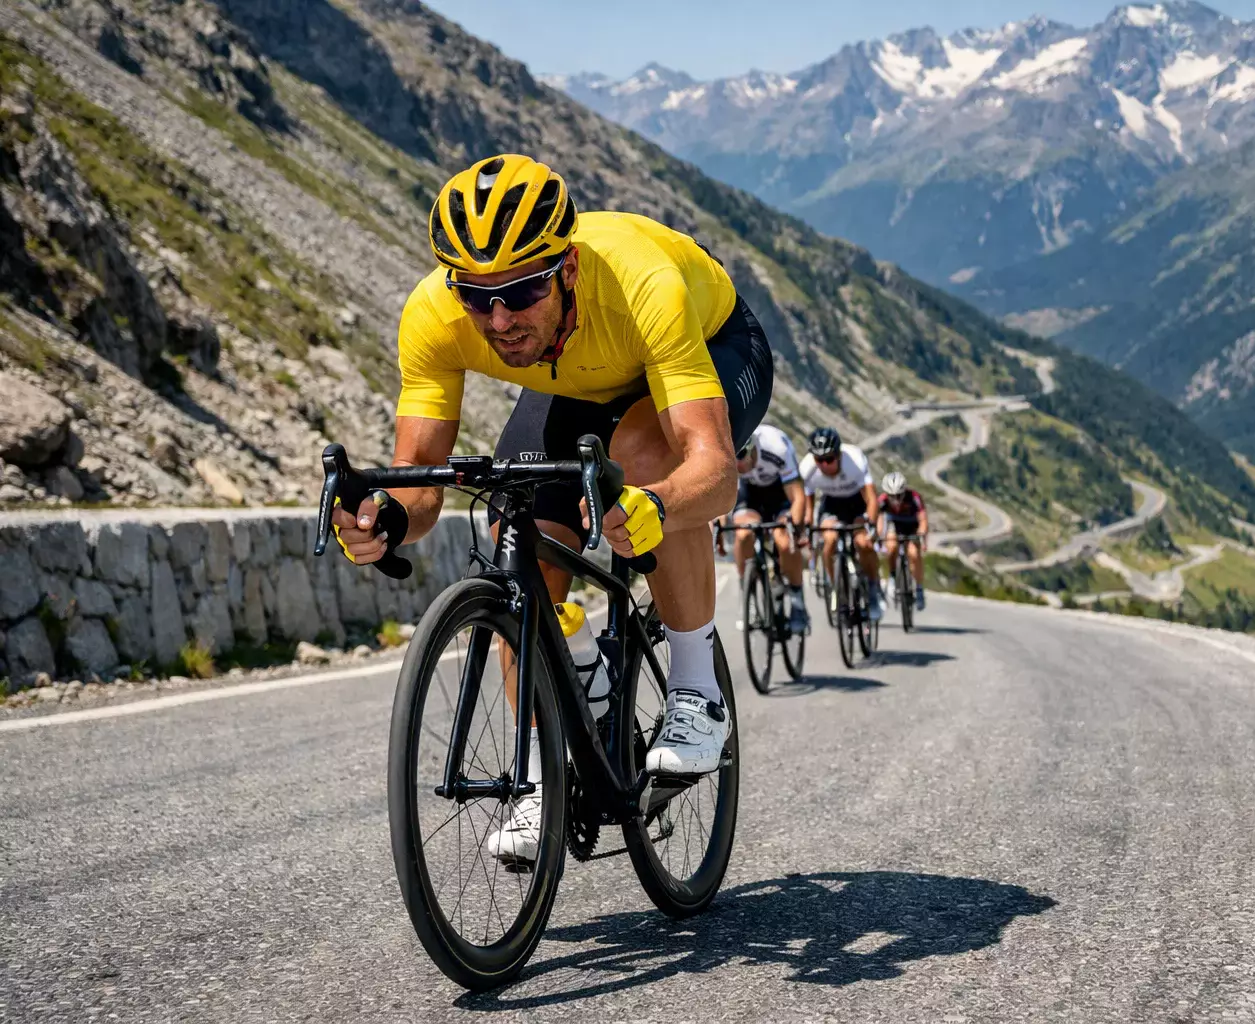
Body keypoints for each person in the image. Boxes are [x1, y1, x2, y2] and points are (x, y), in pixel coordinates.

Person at [328, 154, 773, 862]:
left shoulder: (641, 282)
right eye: (477, 296)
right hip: (576, 376)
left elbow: (715, 474)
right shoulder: (435, 315)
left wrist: (657, 506)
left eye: (522, 289)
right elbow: (420, 483)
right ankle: (541, 775)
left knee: (647, 456)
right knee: (519, 542)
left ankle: (698, 692)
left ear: (566, 268)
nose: (500, 319)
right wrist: (383, 518)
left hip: (711, 344)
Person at [719, 426, 810, 633]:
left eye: (742, 458)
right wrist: (721, 529)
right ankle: (748, 593)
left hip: (779, 493)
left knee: (785, 542)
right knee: (743, 534)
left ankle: (797, 600)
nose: (739, 465)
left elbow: (797, 497)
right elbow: (722, 498)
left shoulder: (777, 448)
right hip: (749, 495)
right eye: (735, 460)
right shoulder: (727, 455)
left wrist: (797, 529)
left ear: (753, 449)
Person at [799, 427, 884, 622]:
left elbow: (871, 499)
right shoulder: (807, 468)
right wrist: (808, 527)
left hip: (857, 504)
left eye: (829, 459)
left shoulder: (854, 460)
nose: (824, 465)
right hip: (831, 505)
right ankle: (835, 585)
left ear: (838, 455)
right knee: (829, 540)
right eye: (819, 460)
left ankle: (873, 588)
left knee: (863, 543)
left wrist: (871, 524)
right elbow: (808, 503)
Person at [877, 471, 928, 611]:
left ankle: (919, 588)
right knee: (891, 547)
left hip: (912, 526)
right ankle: (893, 576)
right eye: (891, 496)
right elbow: (879, 520)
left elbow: (923, 520)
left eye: (899, 495)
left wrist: (921, 534)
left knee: (914, 554)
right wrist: (879, 536)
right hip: (895, 525)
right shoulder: (882, 500)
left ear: (904, 491)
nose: (895, 499)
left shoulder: (914, 498)